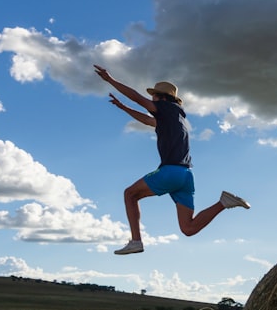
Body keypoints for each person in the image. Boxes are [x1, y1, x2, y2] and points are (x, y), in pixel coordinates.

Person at [94, 65, 250, 254]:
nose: (152, 100)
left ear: (162, 98)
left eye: (154, 97)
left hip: (170, 171)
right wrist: (123, 107)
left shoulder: (166, 107)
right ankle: (224, 202)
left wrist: (110, 80)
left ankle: (136, 241)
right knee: (188, 228)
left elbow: (137, 98)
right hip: (185, 176)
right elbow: (147, 121)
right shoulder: (175, 117)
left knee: (130, 194)